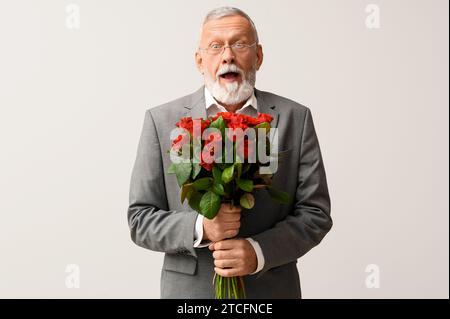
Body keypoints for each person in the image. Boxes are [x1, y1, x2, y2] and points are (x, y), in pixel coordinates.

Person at [127, 6, 332, 298]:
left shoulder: (294, 119)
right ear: (200, 60)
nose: (227, 56)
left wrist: (258, 251)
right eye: (215, 46)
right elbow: (140, 219)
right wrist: (201, 226)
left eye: (239, 44)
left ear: (258, 56)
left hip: (271, 293)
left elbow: (316, 213)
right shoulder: (161, 121)